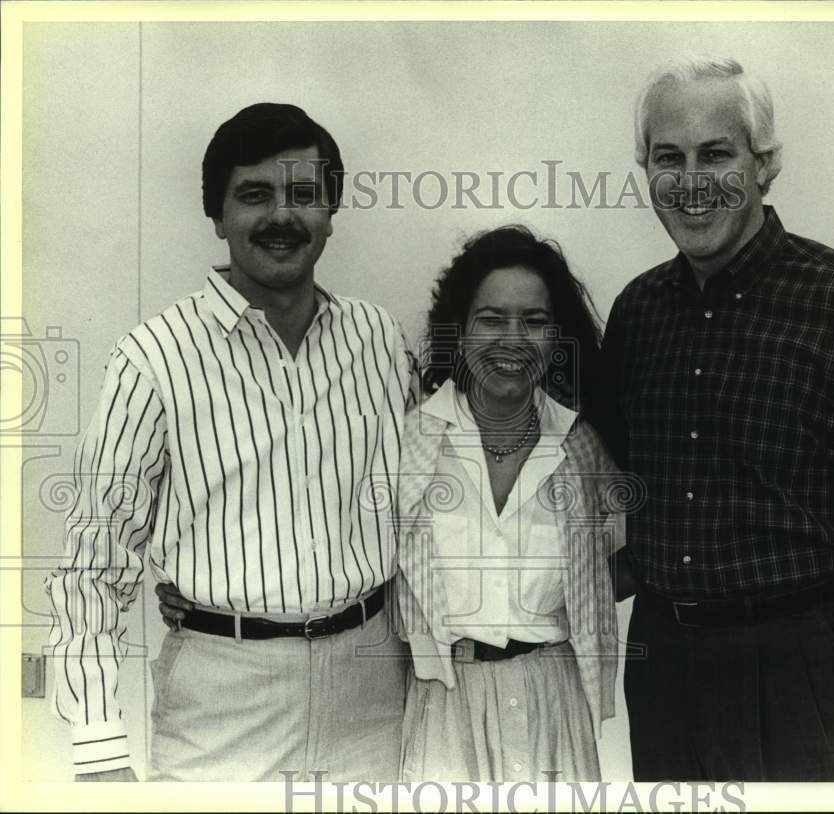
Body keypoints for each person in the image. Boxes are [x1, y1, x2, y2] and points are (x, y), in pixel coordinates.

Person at [591, 56, 834, 782]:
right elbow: (610, 486)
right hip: (667, 666)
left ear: (766, 165)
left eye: (717, 154)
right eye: (669, 158)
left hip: (806, 669)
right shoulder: (638, 312)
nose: (691, 181)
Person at [45, 103, 412, 782]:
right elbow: (90, 571)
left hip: (373, 690)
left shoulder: (380, 342)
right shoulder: (153, 359)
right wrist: (99, 751)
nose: (282, 216)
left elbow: (425, 510)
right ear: (217, 216)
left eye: (304, 194)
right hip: (223, 703)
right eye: (254, 195)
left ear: (331, 210)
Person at [393, 225, 627, 781]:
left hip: (555, 700)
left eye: (535, 321)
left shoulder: (581, 445)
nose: (513, 340)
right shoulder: (408, 442)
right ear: (461, 330)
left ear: (557, 336)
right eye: (492, 319)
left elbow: (623, 563)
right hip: (446, 706)